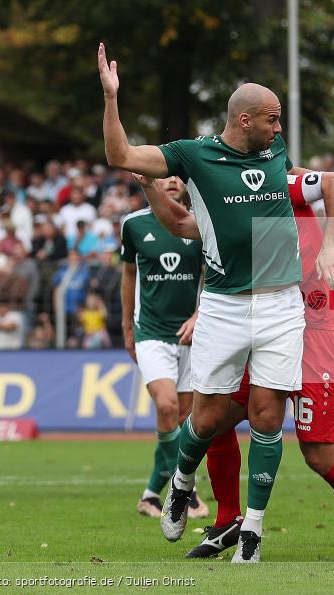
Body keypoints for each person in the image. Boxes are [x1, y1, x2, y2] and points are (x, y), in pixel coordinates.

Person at [99, 42, 334, 563]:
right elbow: (120, 157)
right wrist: (111, 98)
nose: (280, 130)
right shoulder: (194, 155)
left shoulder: (276, 156)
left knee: (266, 415)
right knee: (207, 417)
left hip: (282, 307)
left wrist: (330, 244)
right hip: (224, 305)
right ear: (245, 119)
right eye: (273, 120)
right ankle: (182, 481)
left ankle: (252, 529)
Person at [137, 169, 334, 560]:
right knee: (216, 417)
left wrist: (332, 235)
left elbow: (328, 184)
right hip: (268, 332)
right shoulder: (239, 195)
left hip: (316, 339)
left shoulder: (280, 182)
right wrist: (151, 188)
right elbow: (188, 226)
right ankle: (228, 520)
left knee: (318, 455)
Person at [119, 175, 206, 520]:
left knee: (182, 421)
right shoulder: (135, 225)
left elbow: (214, 277)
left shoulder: (201, 225)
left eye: (177, 176)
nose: (170, 181)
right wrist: (127, 326)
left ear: (186, 185)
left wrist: (200, 315)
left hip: (190, 337)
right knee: (167, 406)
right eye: (163, 175)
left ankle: (151, 495)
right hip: (150, 333)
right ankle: (189, 491)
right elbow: (127, 275)